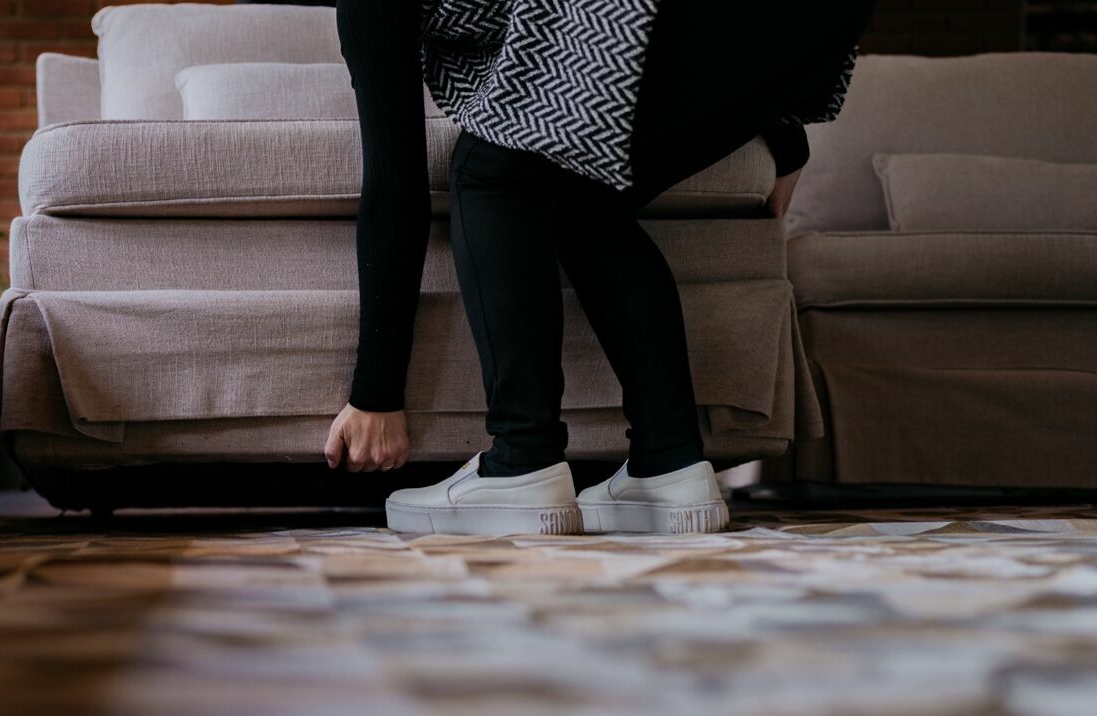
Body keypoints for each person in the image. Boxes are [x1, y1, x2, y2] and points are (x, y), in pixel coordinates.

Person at [326, 0, 877, 535]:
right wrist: (784, 135)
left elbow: (396, 185)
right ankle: (669, 464)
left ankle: (521, 461)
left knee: (490, 170)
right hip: (813, 24)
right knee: (576, 189)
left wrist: (376, 395)